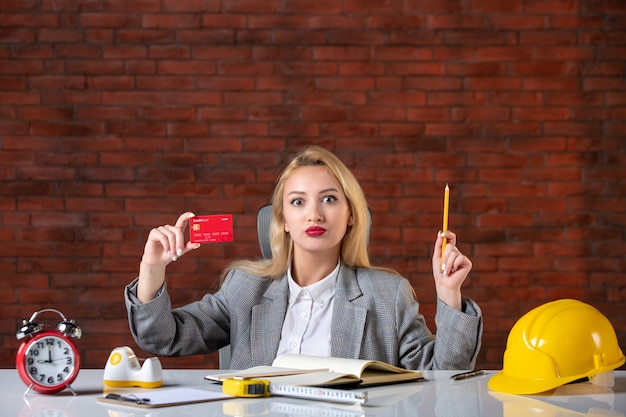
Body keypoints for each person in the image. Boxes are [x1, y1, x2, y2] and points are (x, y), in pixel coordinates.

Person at [124, 146, 482, 370]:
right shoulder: (245, 287)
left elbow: (445, 374)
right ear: (282, 221)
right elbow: (162, 338)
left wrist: (447, 292)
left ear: (351, 215)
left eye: (329, 199)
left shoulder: (388, 294)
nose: (314, 214)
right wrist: (152, 268)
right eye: (298, 201)